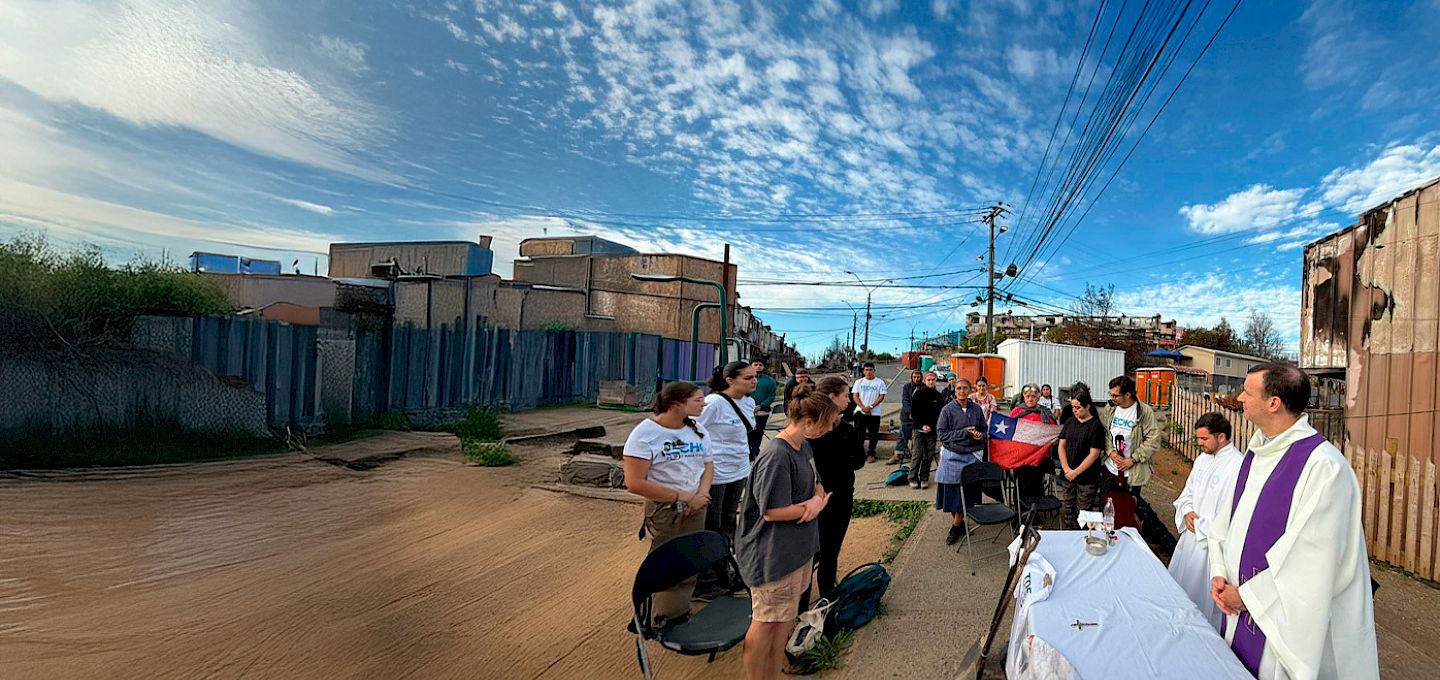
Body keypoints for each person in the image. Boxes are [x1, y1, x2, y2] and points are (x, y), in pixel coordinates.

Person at [1208, 363, 1377, 679]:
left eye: (1247, 391)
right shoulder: (1256, 452)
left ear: (1274, 404)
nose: (1240, 397)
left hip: (1278, 625)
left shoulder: (1324, 468)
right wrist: (1219, 572)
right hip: (1235, 604)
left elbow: (1310, 562)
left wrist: (1245, 597)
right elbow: (1226, 522)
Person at [737, 390, 836, 680]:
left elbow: (817, 482)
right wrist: (813, 506)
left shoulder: (802, 446)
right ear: (808, 421)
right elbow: (772, 511)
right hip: (774, 554)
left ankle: (775, 670)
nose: (830, 429)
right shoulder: (777, 456)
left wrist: (816, 499)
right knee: (766, 621)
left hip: (797, 550)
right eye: (827, 423)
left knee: (784, 617)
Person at [622, 381, 713, 623]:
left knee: (689, 560)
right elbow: (634, 483)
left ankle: (678, 612)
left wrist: (702, 494)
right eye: (697, 399)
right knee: (665, 563)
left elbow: (707, 464)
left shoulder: (697, 429)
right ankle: (655, 616)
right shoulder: (645, 434)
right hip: (665, 510)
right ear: (676, 404)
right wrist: (683, 497)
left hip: (696, 506)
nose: (704, 403)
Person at [1169, 411, 1243, 630]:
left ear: (1221, 437)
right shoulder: (1202, 460)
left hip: (1210, 549)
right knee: (1180, 592)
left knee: (1201, 604)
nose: (1199, 443)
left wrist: (1201, 525)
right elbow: (1187, 492)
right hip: (1189, 540)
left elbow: (1233, 515)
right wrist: (1186, 511)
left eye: (1204, 439)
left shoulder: (1237, 466)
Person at [694, 361, 757, 599]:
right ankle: (705, 581)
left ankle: (724, 572)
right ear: (730, 381)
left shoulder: (749, 402)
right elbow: (693, 429)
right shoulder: (714, 403)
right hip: (716, 474)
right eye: (748, 378)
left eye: (754, 377)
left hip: (738, 470)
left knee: (729, 524)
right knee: (713, 525)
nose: (754, 381)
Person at [802, 378, 867, 599]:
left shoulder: (846, 428)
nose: (849, 400)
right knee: (811, 554)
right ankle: (803, 604)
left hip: (842, 496)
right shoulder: (809, 432)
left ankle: (827, 598)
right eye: (846, 396)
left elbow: (860, 459)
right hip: (814, 501)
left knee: (831, 552)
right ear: (831, 398)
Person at [935, 377, 988, 545]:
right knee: (952, 496)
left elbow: (984, 431)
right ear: (955, 390)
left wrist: (980, 435)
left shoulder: (977, 410)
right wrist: (964, 432)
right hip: (952, 456)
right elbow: (942, 434)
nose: (962, 391)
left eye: (965, 388)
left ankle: (955, 526)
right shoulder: (947, 410)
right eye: (959, 388)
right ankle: (959, 524)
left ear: (970, 390)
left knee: (965, 494)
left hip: (971, 456)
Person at [1097, 375, 1161, 503]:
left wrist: (1133, 459)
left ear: (1128, 394)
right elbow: (1104, 431)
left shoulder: (1144, 412)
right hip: (1110, 469)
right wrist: (1111, 452)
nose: (1112, 398)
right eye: (1111, 394)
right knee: (1106, 508)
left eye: (1116, 395)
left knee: (1127, 511)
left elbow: (1153, 439)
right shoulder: (1110, 408)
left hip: (1132, 474)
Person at [1056, 386, 1105, 530]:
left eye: (1078, 407)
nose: (1075, 411)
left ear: (1087, 406)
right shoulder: (1070, 422)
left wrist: (1075, 472)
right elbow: (1061, 445)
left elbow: (1094, 454)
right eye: (1073, 407)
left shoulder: (1095, 426)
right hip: (1068, 474)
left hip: (1087, 477)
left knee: (1083, 514)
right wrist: (1066, 469)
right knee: (1068, 510)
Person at [1009, 384, 1057, 500]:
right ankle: (1019, 513)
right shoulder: (1016, 412)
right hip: (1021, 458)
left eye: (1034, 396)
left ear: (1039, 397)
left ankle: (1035, 512)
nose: (1030, 399)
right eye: (1028, 396)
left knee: (1036, 485)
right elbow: (1009, 431)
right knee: (1021, 485)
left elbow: (1053, 434)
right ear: (1023, 397)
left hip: (1039, 458)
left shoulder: (1045, 412)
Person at [907, 372, 945, 490]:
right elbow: (914, 413)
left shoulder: (939, 396)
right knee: (917, 454)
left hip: (932, 430)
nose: (931, 382)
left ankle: (924, 477)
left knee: (928, 455)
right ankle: (912, 477)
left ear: (935, 381)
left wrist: (931, 426)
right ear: (924, 381)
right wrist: (922, 425)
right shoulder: (918, 394)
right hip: (918, 429)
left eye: (933, 380)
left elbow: (939, 415)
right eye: (928, 380)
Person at [851, 362, 887, 463]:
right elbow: (855, 396)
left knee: (873, 435)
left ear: (874, 371)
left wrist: (871, 407)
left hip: (874, 413)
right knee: (859, 434)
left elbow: (881, 396)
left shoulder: (879, 382)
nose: (868, 372)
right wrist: (863, 408)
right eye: (866, 370)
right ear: (863, 371)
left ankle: (871, 454)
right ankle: (860, 454)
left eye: (870, 370)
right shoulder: (859, 382)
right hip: (860, 412)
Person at [889, 370, 923, 464]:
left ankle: (915, 455)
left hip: (919, 417)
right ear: (912, 377)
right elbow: (905, 401)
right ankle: (898, 455)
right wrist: (910, 412)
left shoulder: (924, 387)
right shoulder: (907, 387)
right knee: (902, 435)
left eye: (918, 377)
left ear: (921, 377)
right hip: (906, 416)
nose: (916, 379)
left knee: (917, 437)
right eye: (914, 377)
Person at [749, 358, 777, 460]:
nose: (758, 366)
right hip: (746, 411)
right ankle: (749, 453)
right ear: (751, 365)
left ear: (763, 366)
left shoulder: (770, 381)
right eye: (755, 364)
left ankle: (756, 451)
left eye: (760, 364)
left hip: (762, 411)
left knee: (759, 433)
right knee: (748, 433)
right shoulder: (745, 379)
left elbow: (771, 396)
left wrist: (761, 405)